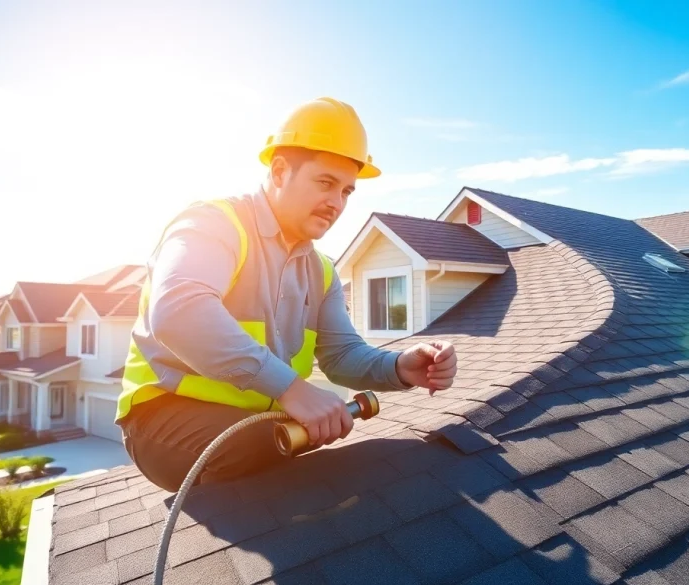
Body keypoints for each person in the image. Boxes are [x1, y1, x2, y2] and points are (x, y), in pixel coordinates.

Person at [114, 97, 458, 492]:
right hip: (160, 418)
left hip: (258, 426)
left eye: (347, 191)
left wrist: (399, 367)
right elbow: (179, 313)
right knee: (262, 445)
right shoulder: (213, 224)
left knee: (295, 447)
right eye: (325, 183)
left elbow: (341, 355)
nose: (336, 203)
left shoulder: (322, 271)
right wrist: (292, 390)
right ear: (279, 172)